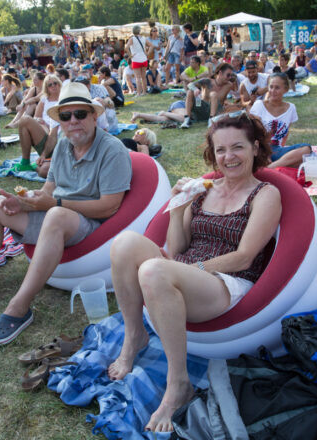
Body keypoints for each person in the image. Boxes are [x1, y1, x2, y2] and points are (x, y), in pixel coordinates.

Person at [107, 110, 281, 432]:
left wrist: (192, 268)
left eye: (237, 147)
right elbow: (177, 249)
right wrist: (179, 209)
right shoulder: (204, 189)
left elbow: (244, 257)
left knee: (154, 271)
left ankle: (179, 384)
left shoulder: (265, 195)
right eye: (220, 150)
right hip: (186, 271)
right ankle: (135, 336)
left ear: (256, 147)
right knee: (124, 244)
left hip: (228, 281)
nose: (228, 157)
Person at [0, 82, 133, 347]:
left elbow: (109, 206)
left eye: (80, 114)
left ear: (94, 115)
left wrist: (53, 202)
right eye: (66, 116)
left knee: (57, 214)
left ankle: (19, 306)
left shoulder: (112, 149)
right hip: (57, 211)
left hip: (92, 224)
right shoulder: (62, 145)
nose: (73, 121)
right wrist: (28, 200)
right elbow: (50, 186)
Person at [250, 72, 311, 168]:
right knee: (304, 161)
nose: (273, 91)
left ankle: (271, 167)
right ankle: (279, 165)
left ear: (286, 90)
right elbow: (252, 135)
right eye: (271, 87)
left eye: (277, 88)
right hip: (260, 149)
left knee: (306, 149)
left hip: (277, 150)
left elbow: (286, 133)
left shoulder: (291, 108)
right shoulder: (259, 105)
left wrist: (281, 151)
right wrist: (266, 154)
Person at [13, 75, 62, 177]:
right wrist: (41, 122)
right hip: (45, 135)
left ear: (59, 84)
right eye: (50, 85)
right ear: (46, 87)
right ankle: (25, 161)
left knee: (45, 172)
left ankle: (34, 165)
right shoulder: (44, 100)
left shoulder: (64, 99)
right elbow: (36, 118)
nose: (53, 86)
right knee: (25, 120)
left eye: (55, 83)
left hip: (59, 137)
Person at [180, 62, 234, 129]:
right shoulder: (207, 81)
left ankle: (211, 120)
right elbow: (190, 85)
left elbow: (221, 99)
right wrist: (195, 89)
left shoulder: (229, 85)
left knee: (213, 94)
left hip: (216, 112)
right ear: (220, 73)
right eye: (228, 75)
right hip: (202, 109)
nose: (230, 77)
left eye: (231, 75)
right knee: (190, 91)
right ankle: (187, 119)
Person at [126, 25, 152, 97]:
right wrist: (148, 53)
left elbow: (126, 47)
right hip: (144, 59)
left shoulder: (132, 39)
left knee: (138, 77)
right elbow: (151, 46)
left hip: (136, 59)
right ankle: (144, 92)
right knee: (144, 77)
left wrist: (130, 55)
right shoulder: (144, 38)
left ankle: (138, 93)